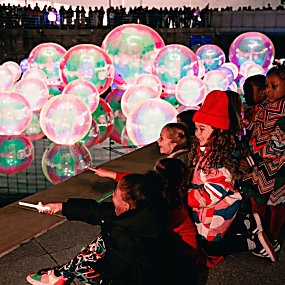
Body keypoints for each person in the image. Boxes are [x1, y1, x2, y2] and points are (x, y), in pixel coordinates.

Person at [26, 172, 174, 285]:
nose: (112, 195)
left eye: (115, 193)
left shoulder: (128, 236)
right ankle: (61, 275)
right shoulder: (139, 213)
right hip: (133, 267)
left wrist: (86, 267)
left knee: (86, 268)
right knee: (99, 244)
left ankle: (62, 276)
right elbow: (96, 211)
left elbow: (115, 268)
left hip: (139, 278)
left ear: (126, 206)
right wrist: (60, 206)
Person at [186, 90, 276, 267]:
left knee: (212, 246)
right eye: (196, 128)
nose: (196, 133)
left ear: (218, 131)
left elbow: (208, 197)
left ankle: (251, 243)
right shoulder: (210, 150)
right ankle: (247, 223)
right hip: (208, 211)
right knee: (211, 236)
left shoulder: (220, 165)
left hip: (215, 212)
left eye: (202, 129)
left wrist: (185, 195)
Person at [242, 63, 285, 259]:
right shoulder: (267, 105)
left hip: (277, 167)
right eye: (267, 86)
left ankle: (273, 239)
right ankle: (261, 233)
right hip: (259, 164)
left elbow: (276, 146)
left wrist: (251, 159)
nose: (268, 90)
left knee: (276, 204)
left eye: (273, 86)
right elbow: (254, 127)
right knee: (257, 196)